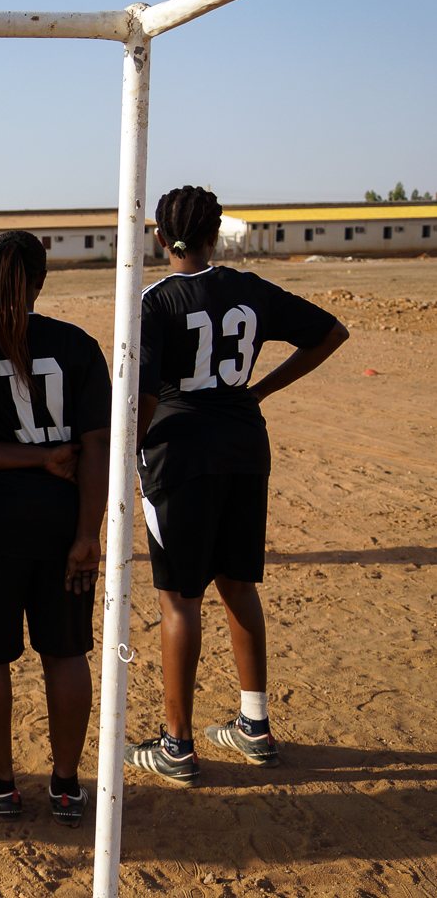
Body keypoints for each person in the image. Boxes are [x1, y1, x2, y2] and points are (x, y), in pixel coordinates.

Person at [123, 186, 348, 786]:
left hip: (180, 456)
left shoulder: (154, 301)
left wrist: (123, 461)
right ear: (214, 234)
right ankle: (255, 725)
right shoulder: (248, 288)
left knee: (179, 598)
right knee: (239, 585)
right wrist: (260, 391)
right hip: (246, 448)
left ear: (159, 236)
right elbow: (330, 333)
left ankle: (177, 743)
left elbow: (145, 396)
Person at [0, 230, 107, 828]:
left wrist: (25, 458)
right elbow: (96, 447)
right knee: (65, 651)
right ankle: (66, 787)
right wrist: (91, 532)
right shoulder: (79, 346)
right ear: (42, 280)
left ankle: (3, 785)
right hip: (63, 522)